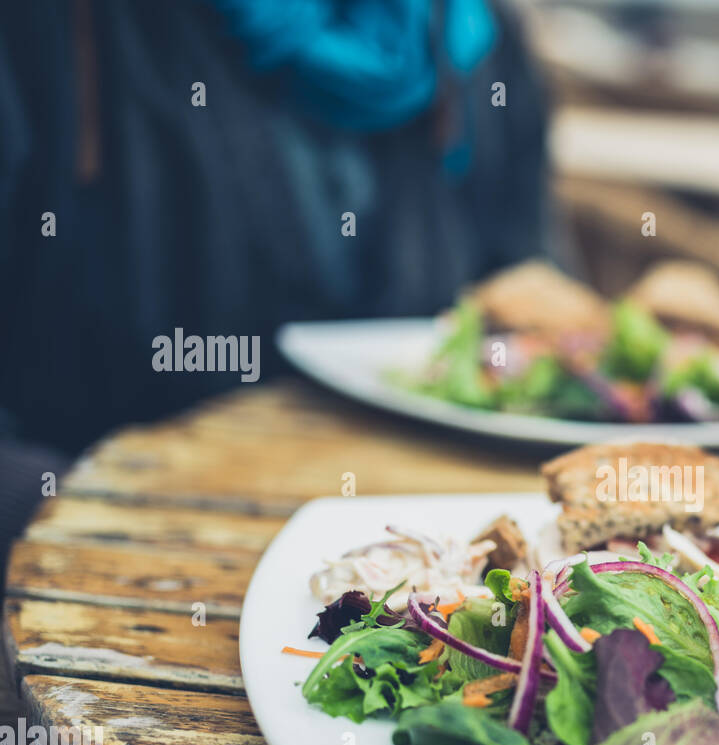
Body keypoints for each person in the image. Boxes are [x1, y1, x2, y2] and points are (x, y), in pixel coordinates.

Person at [0, 0, 549, 554]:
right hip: (111, 581)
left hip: (419, 574)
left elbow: (532, 303)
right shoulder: (44, 32)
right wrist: (84, 527)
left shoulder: (479, 47)